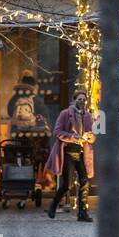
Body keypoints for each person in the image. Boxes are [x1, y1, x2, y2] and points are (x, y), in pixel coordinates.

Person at [46, 92, 95, 222]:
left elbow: (92, 135)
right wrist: (73, 137)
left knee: (84, 181)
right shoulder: (65, 114)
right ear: (74, 100)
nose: (82, 101)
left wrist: (89, 137)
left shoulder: (88, 116)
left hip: (81, 153)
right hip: (67, 152)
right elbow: (57, 132)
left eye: (84, 99)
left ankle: (82, 213)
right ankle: (53, 205)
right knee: (67, 185)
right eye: (79, 99)